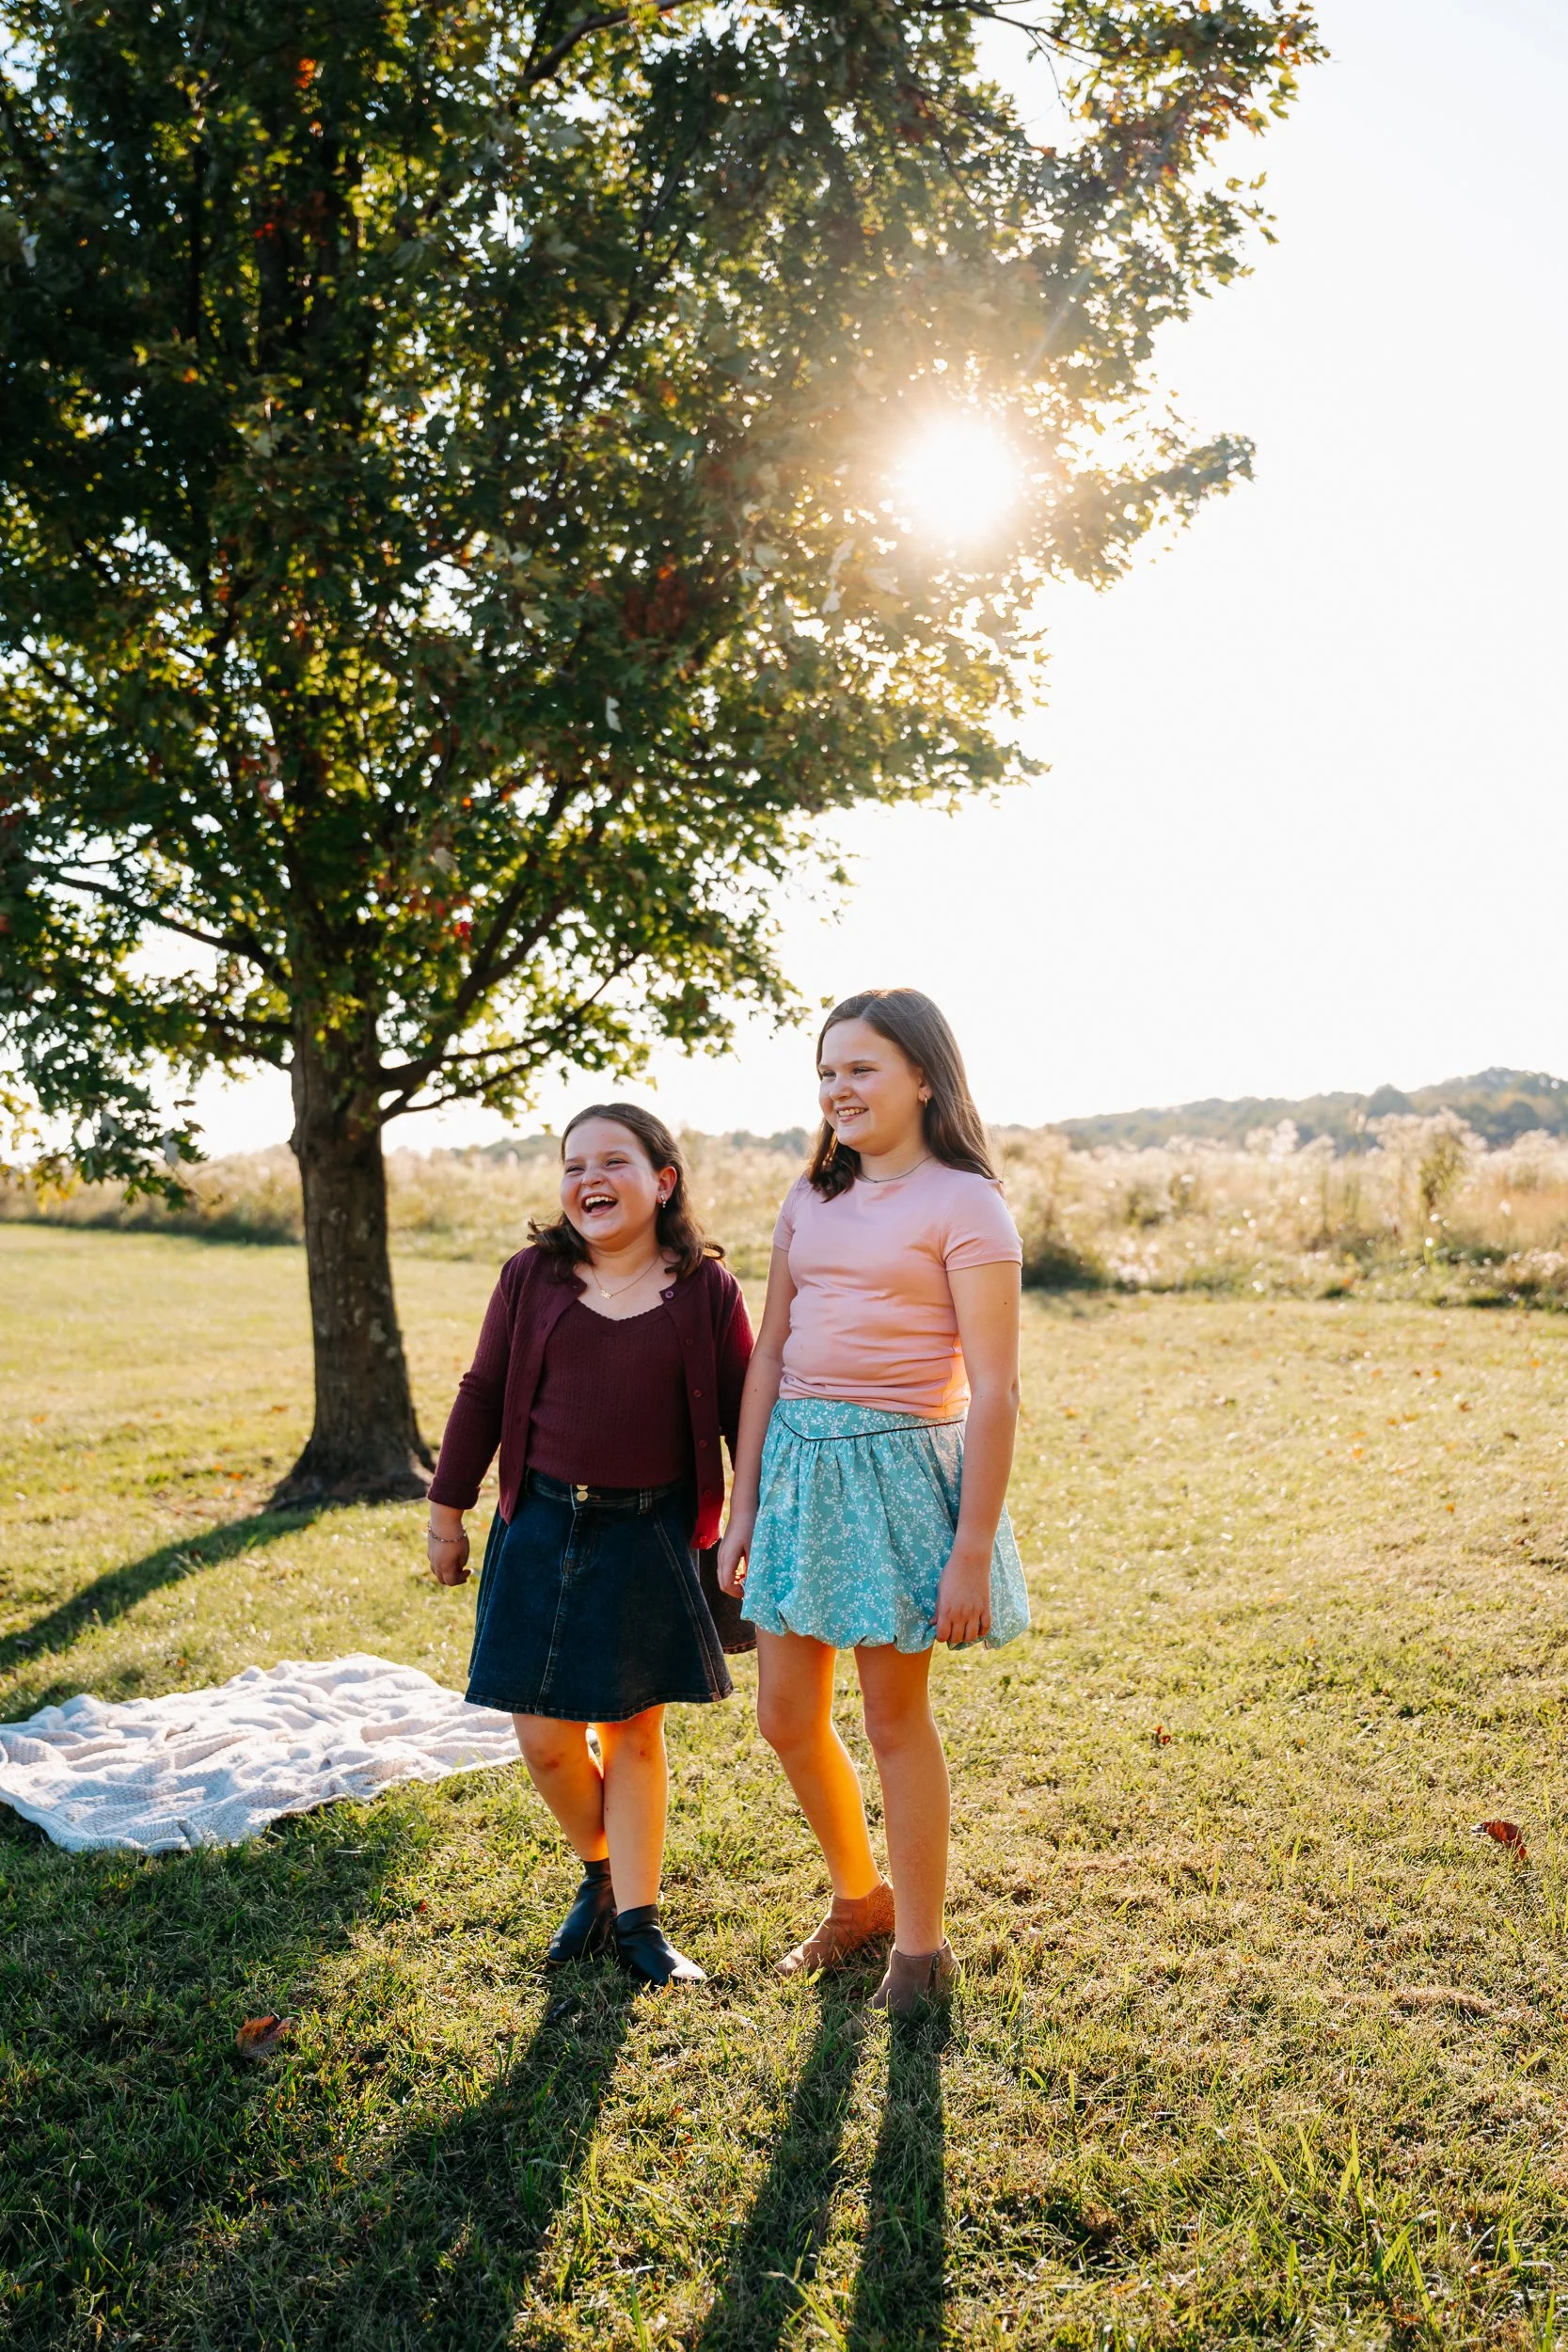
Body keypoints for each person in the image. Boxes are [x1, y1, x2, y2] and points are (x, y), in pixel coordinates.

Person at [718, 989, 1029, 2014]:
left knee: (895, 1722)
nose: (838, 1088)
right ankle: (859, 1898)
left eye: (861, 1068)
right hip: (798, 1473)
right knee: (782, 1715)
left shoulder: (964, 1203)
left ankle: (920, 1948)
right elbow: (768, 1353)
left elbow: (996, 1390)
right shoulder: (807, 1197)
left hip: (897, 1477)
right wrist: (745, 1501)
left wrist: (970, 1547)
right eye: (826, 1071)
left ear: (923, 1078)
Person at [426, 1104, 752, 1988]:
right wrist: (446, 1509)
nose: (589, 1180)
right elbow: (483, 1392)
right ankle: (600, 1872)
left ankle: (640, 1921)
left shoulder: (707, 1291)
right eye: (573, 1166)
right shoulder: (531, 1277)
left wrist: (746, 1526)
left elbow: (738, 1419)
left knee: (633, 1731)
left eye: (613, 1161)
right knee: (543, 1737)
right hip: (537, 1525)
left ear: (663, 1180)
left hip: (650, 1534)